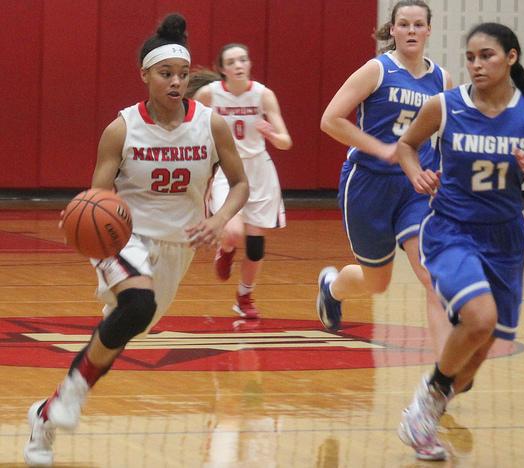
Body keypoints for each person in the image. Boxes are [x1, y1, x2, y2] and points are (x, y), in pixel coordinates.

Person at [24, 14, 249, 466]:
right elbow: (99, 197)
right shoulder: (122, 129)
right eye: (166, 74)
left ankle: (48, 413)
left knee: (124, 328)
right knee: (138, 305)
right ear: (144, 75)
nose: (176, 83)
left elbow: (241, 183)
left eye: (183, 75)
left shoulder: (211, 125)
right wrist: (80, 217)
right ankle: (67, 400)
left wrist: (219, 217)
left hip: (177, 246)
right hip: (122, 237)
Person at [394, 22, 524, 460]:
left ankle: (429, 414)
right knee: (479, 317)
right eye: (471, 57)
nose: (476, 64)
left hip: (506, 239)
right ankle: (428, 397)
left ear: (511, 57)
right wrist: (416, 173)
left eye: (487, 55)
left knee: (481, 350)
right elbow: (406, 146)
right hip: (451, 230)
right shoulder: (445, 106)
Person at [316, 0, 452, 356]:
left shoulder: (442, 80)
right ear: (392, 30)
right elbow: (330, 120)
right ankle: (332, 288)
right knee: (377, 282)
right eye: (403, 24)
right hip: (368, 185)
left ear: (428, 31)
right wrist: (380, 148)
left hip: (415, 187)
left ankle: (445, 370)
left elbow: (450, 135)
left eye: (417, 25)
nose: (411, 31)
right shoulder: (377, 70)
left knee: (429, 272)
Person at [193, 43, 292, 319]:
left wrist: (272, 134)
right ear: (222, 69)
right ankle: (225, 250)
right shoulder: (208, 95)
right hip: (228, 170)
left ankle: (245, 295)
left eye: (243, 60)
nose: (238, 65)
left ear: (249, 65)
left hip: (260, 171)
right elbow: (190, 128)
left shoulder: (263, 95)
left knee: (256, 244)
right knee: (233, 232)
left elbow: (286, 142)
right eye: (232, 61)